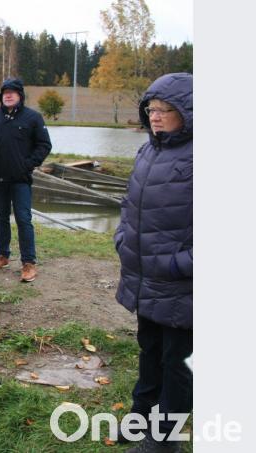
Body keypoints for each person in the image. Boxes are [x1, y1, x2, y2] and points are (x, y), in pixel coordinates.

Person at [114, 73, 192, 453]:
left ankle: (164, 440)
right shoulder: (149, 150)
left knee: (178, 361)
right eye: (151, 109)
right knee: (150, 349)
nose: (156, 117)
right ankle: (140, 417)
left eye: (165, 110)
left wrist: (183, 265)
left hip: (183, 284)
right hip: (145, 277)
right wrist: (122, 238)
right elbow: (130, 204)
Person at [0, 78, 52, 282]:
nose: (8, 95)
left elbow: (44, 145)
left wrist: (28, 164)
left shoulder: (33, 117)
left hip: (21, 178)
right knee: (1, 217)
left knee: (23, 219)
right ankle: (2, 256)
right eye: (5, 92)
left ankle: (28, 263)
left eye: (13, 92)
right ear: (1, 96)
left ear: (20, 96)